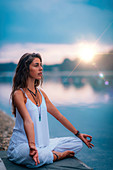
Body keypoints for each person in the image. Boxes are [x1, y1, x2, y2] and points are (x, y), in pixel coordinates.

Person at [7, 53, 94, 168]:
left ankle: (49, 154)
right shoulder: (19, 94)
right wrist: (32, 146)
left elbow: (59, 116)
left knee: (77, 143)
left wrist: (78, 134)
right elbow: (28, 121)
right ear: (26, 69)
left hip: (44, 144)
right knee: (36, 159)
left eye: (41, 65)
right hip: (23, 145)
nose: (41, 68)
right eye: (36, 65)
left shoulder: (41, 94)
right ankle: (59, 155)